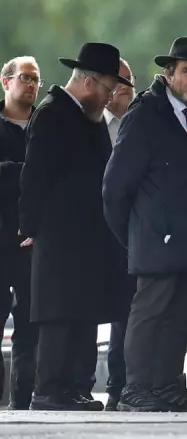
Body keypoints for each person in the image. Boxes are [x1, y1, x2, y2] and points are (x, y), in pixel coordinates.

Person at [103, 37, 187, 413]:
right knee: (151, 312)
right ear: (168, 73)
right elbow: (115, 186)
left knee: (182, 314)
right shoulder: (145, 114)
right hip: (156, 239)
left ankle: (168, 386)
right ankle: (136, 389)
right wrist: (136, 237)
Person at [19, 43, 133, 411]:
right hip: (58, 233)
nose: (109, 96)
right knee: (59, 311)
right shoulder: (53, 114)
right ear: (88, 82)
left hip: (89, 236)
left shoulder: (91, 116)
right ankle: (50, 388)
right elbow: (34, 176)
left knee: (84, 310)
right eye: (107, 88)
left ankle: (75, 386)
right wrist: (29, 225)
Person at [0, 56, 41, 410]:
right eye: (26, 78)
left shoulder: (45, 126)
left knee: (31, 329)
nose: (32, 85)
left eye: (37, 80)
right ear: (6, 81)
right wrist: (25, 170)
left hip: (33, 243)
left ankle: (22, 403)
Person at [100, 57, 137, 411]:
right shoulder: (95, 125)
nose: (127, 88)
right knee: (111, 313)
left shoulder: (139, 125)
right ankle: (113, 387)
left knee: (129, 316)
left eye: (131, 81)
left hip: (134, 234)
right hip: (99, 235)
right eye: (120, 82)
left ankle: (125, 387)